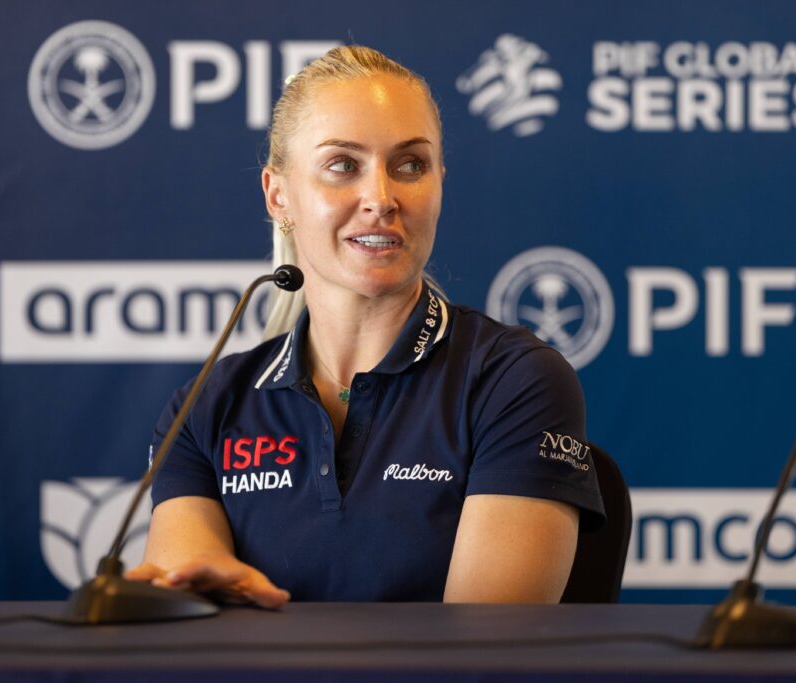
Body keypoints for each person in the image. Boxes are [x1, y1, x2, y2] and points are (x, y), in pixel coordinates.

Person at [126, 46, 604, 607]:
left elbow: (484, 645)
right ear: (279, 196)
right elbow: (190, 614)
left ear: (439, 184)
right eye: (343, 165)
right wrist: (207, 597)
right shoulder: (205, 406)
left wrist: (264, 626)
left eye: (410, 165)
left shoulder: (513, 380)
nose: (381, 198)